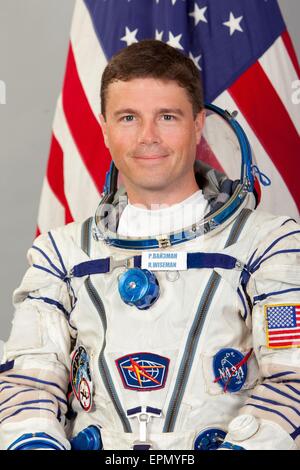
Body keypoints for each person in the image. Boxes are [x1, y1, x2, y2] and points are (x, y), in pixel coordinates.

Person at [0, 39, 300, 451]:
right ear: (104, 128)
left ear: (198, 124)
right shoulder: (62, 254)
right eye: (128, 118)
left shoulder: (266, 245)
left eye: (167, 116)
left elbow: (292, 378)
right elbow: (27, 380)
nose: (148, 137)